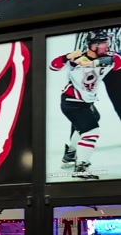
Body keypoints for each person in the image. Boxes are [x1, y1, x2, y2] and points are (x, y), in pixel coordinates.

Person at [50, 30, 121, 180]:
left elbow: (118, 61)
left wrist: (93, 63)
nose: (107, 46)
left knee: (91, 120)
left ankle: (70, 153)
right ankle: (81, 168)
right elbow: (53, 66)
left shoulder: (108, 59)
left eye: (107, 43)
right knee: (91, 131)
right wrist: (66, 57)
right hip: (72, 102)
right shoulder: (77, 60)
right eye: (103, 43)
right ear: (93, 45)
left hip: (86, 103)